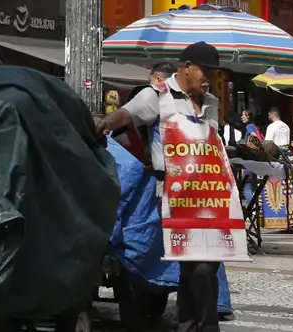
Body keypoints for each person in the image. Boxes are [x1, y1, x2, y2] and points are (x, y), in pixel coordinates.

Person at [96, 41, 224, 332]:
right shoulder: (158, 96)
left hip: (210, 194)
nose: (210, 77)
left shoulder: (212, 103)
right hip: (173, 193)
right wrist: (104, 124)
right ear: (186, 67)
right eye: (206, 70)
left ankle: (187, 324)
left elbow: (214, 146)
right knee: (197, 265)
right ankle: (204, 326)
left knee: (203, 265)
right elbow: (127, 114)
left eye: (214, 72)